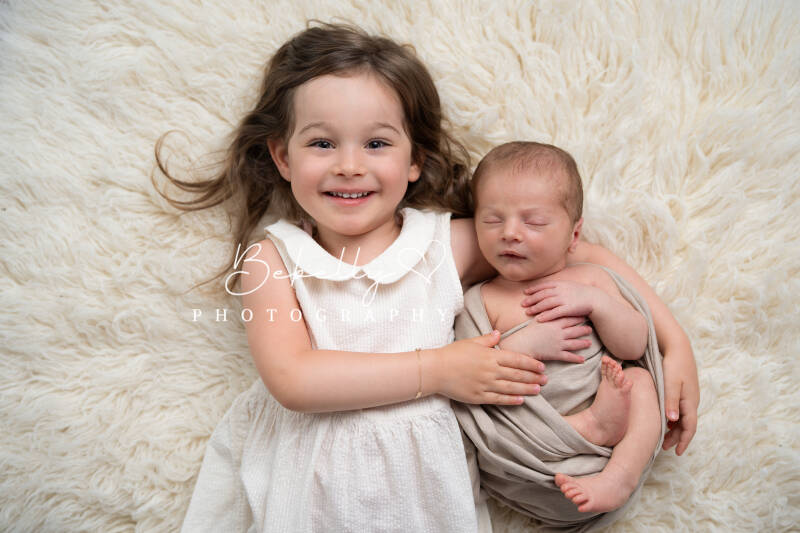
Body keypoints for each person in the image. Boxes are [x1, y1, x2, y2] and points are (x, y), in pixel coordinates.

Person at [152, 22, 698, 533]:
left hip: (425, 488)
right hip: (313, 479)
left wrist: (675, 347)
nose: (349, 165)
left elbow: (582, 256)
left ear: (414, 159)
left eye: (376, 144)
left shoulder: (440, 245)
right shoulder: (274, 259)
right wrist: (438, 370)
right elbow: (293, 379)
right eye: (322, 143)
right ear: (283, 157)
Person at [452, 141, 663, 526]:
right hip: (533, 456)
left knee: (642, 383)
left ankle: (620, 476)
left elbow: (636, 344)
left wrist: (596, 304)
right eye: (492, 220)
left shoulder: (591, 280)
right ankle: (587, 426)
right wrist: (524, 344)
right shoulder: (480, 300)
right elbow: (471, 378)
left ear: (574, 234)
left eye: (533, 222)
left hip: (603, 455)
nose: (510, 233)